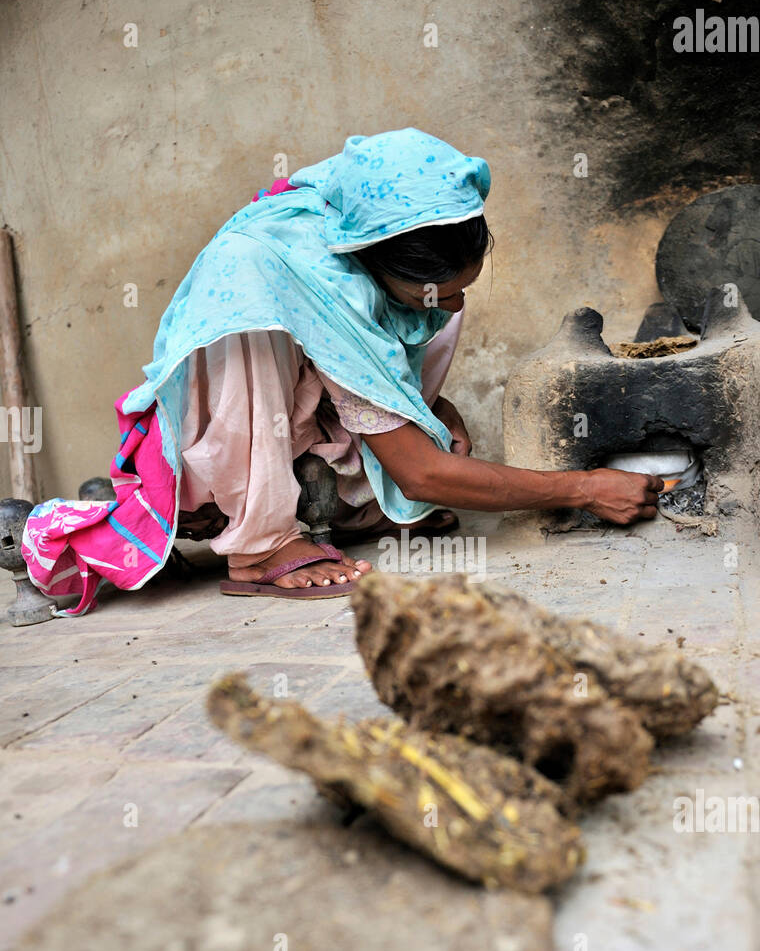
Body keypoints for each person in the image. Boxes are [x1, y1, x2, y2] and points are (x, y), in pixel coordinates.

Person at [23, 128, 660, 612]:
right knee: (261, 305)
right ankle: (259, 545)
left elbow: (362, 375)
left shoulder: (366, 260)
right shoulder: (270, 264)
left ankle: (338, 508)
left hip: (303, 436)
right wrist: (584, 488)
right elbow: (420, 472)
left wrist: (429, 410)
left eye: (464, 286)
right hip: (213, 457)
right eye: (436, 291)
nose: (453, 304)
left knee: (426, 409)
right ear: (371, 262)